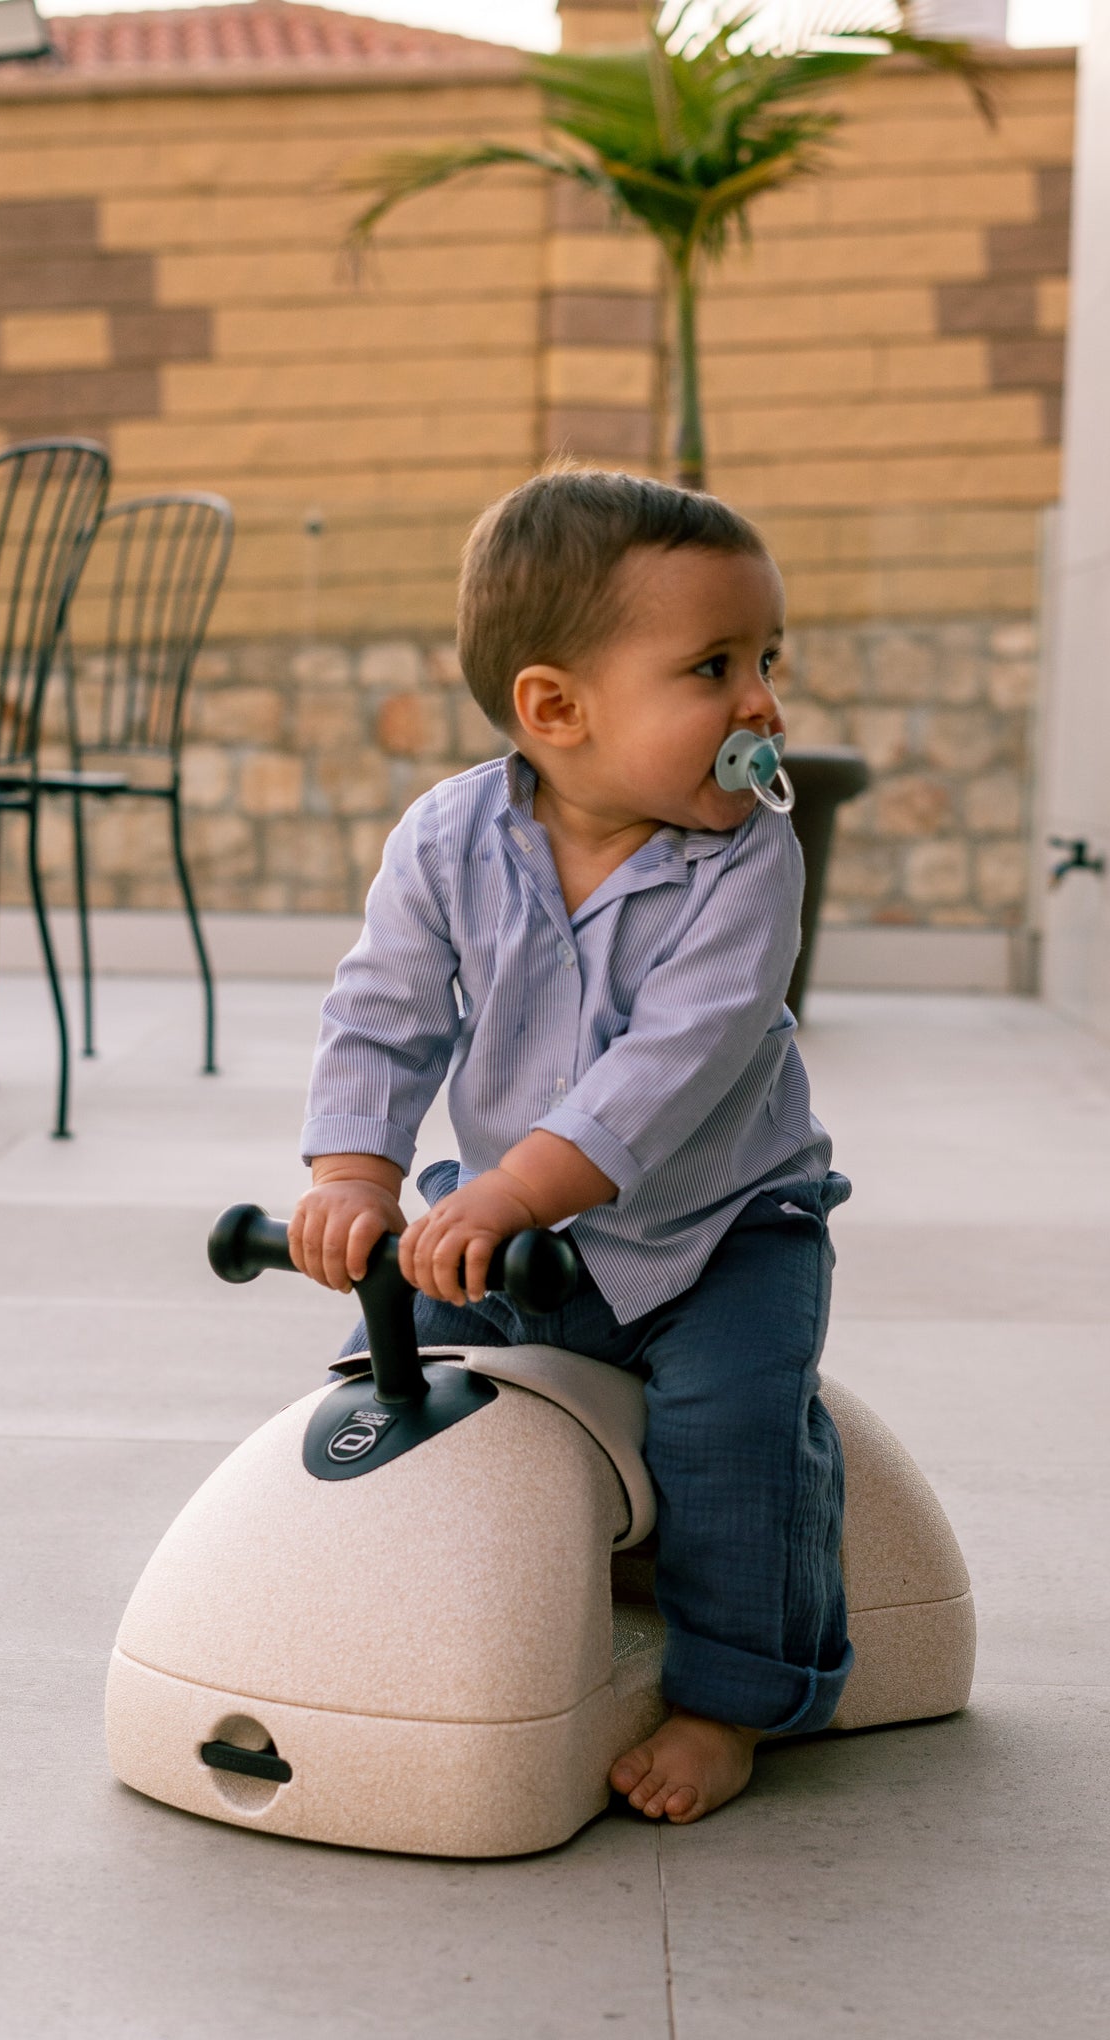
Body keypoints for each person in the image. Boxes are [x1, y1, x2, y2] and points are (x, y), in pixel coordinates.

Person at [290, 467, 852, 1824]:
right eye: (714, 667)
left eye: (765, 659)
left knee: (725, 1431)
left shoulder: (746, 862)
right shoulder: (446, 839)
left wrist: (515, 1186)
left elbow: (678, 1064)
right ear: (556, 710)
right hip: (524, 1228)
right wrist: (354, 1173)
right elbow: (381, 1012)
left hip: (722, 1232)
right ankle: (426, 1622)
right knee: (399, 1346)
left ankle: (735, 1695)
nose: (763, 702)